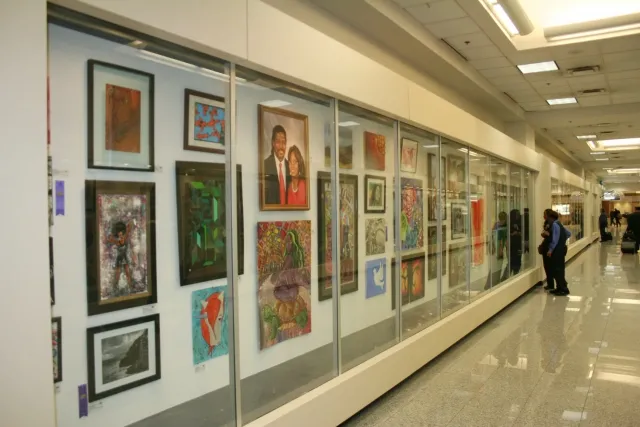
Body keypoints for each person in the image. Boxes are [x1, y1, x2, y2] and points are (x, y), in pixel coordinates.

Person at [263, 125, 290, 205]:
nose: (281, 146)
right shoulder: (265, 165)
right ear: (273, 143)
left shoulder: (291, 168)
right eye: (278, 142)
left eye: (283, 142)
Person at [546, 210, 571, 296]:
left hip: (557, 251)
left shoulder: (555, 225)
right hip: (561, 250)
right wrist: (562, 240)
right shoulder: (560, 224)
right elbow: (568, 234)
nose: (546, 219)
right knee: (559, 268)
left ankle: (563, 289)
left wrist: (550, 250)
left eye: (547, 217)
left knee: (557, 269)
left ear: (551, 217)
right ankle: (559, 287)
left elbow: (555, 239)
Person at [484, 211, 508, 290]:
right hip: (498, 250)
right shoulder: (502, 227)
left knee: (495, 267)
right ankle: (492, 283)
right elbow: (500, 240)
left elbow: (492, 237)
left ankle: (491, 284)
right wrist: (501, 250)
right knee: (497, 267)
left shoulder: (496, 225)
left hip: (495, 249)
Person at [501, 209, 522, 280]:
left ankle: (515, 275)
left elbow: (523, 232)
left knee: (518, 260)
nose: (518, 216)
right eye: (517, 214)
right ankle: (506, 277)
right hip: (511, 244)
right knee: (511, 261)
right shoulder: (508, 223)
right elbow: (504, 232)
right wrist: (512, 234)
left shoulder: (520, 222)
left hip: (518, 244)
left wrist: (518, 233)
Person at [539, 209, 555, 291]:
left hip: (548, 246)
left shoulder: (549, 223)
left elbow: (548, 234)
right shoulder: (554, 222)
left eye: (544, 214)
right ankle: (551, 283)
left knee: (548, 266)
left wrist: (543, 233)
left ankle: (551, 284)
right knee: (549, 266)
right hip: (550, 246)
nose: (543, 216)